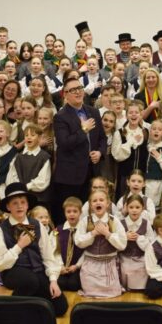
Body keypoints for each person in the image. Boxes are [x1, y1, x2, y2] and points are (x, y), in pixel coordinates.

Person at [53, 77, 106, 225]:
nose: (77, 92)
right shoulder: (60, 117)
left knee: (90, 215)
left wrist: (100, 152)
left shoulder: (93, 112)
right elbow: (64, 143)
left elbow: (102, 138)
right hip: (70, 176)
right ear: (65, 94)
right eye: (73, 90)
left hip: (92, 171)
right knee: (69, 216)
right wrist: (83, 130)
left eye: (79, 88)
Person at [74, 186, 127, 297]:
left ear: (107, 204)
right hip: (90, 263)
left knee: (112, 293)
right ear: (90, 205)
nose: (98, 202)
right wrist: (92, 233)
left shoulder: (114, 221)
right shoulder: (85, 221)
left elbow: (122, 244)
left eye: (101, 200)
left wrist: (108, 234)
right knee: (90, 292)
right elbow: (78, 241)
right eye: (94, 201)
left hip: (109, 263)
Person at [119, 194, 153, 291]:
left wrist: (140, 238)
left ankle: (140, 288)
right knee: (125, 268)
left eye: (137, 207)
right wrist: (124, 237)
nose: (134, 210)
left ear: (143, 208)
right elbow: (116, 240)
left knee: (144, 267)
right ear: (127, 208)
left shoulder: (146, 223)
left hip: (141, 256)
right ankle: (126, 286)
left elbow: (151, 241)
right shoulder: (121, 223)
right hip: (125, 256)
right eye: (131, 207)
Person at [55, 197, 84, 292]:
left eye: (75, 211)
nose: (72, 214)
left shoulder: (84, 230)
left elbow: (87, 251)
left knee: (73, 285)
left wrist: (77, 266)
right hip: (62, 267)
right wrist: (60, 266)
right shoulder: (57, 230)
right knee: (61, 284)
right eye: (68, 211)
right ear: (64, 213)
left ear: (80, 213)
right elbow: (55, 250)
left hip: (77, 267)